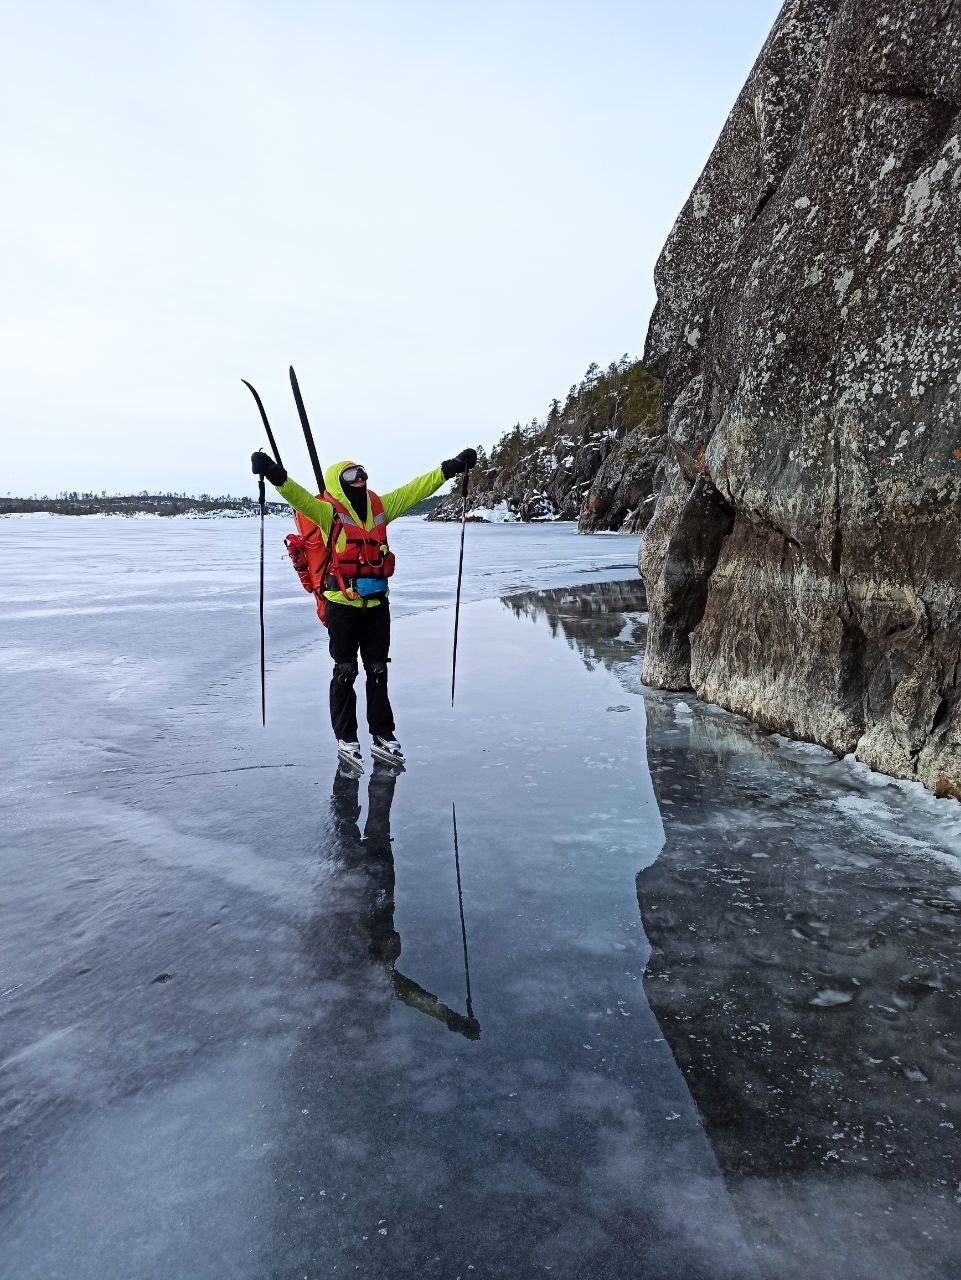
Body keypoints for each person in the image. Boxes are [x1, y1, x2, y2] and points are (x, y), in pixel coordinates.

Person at [251, 446, 477, 767]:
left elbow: (416, 489)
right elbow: (298, 498)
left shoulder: (380, 507)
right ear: (338, 482)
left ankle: (382, 734)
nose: (360, 478)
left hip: (377, 605)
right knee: (345, 670)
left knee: (378, 669)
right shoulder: (327, 513)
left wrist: (450, 468)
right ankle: (346, 737)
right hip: (340, 605)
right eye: (350, 475)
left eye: (362, 473)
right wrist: (273, 472)